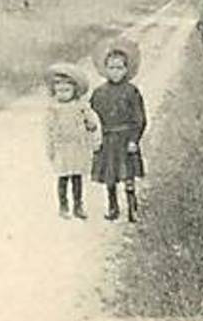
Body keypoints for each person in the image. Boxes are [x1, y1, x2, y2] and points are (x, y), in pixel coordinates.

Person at [90, 41, 147, 222]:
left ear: (126, 70)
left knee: (128, 174)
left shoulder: (131, 92)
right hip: (107, 139)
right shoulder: (99, 93)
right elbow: (92, 117)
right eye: (111, 68)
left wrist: (134, 140)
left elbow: (139, 119)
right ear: (104, 69)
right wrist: (93, 136)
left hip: (125, 138)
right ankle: (112, 207)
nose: (115, 72)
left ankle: (132, 207)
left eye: (119, 68)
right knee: (110, 175)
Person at [44, 62, 101, 220]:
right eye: (59, 91)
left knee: (77, 177)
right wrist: (50, 148)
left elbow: (91, 123)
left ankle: (78, 205)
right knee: (63, 177)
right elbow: (49, 130)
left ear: (74, 91)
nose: (62, 94)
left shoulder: (80, 106)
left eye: (66, 90)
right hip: (62, 146)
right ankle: (63, 205)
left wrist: (90, 122)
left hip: (77, 146)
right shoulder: (53, 109)